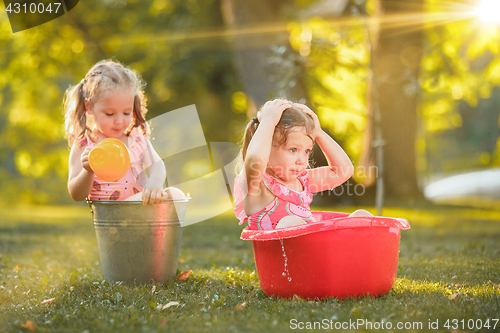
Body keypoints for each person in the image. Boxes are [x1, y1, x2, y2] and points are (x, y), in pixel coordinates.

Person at [233, 99, 370, 230]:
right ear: (266, 148)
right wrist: (268, 122)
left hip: (316, 250)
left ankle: (352, 254)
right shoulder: (256, 185)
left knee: (362, 217)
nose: (301, 160)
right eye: (293, 150)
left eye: (306, 151)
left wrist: (319, 133)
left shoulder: (302, 181)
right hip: (283, 254)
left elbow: (343, 172)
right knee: (292, 222)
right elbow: (255, 161)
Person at [64, 60, 168, 204]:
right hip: (110, 217)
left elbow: (157, 165)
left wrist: (155, 183)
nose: (119, 121)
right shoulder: (85, 144)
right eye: (110, 114)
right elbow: (76, 194)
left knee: (175, 194)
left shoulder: (136, 140)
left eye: (126, 112)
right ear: (89, 107)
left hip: (142, 210)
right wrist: (87, 171)